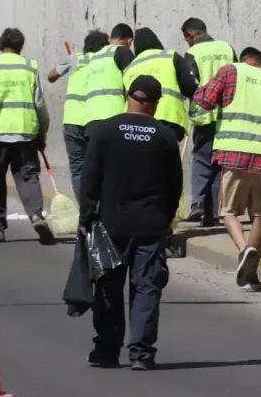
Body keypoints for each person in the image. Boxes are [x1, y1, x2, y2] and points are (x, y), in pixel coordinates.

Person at [79, 75, 181, 371]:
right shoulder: (164, 136)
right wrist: (168, 218)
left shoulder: (105, 130)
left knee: (108, 289)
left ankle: (108, 351)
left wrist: (85, 217)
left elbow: (90, 179)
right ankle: (141, 353)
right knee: (147, 287)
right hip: (150, 226)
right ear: (155, 103)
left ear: (128, 95)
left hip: (109, 226)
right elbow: (174, 184)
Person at [192, 47, 261, 292]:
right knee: (259, 215)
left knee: (228, 211)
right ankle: (250, 272)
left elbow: (204, 100)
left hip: (233, 152)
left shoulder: (230, 71)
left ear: (242, 60)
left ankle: (245, 249)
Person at [0, 27, 54, 245]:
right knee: (29, 176)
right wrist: (42, 132)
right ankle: (36, 214)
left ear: (1, 45)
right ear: (21, 47)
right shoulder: (30, 67)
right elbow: (40, 104)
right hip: (26, 131)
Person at [181, 18, 235, 227]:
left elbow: (189, 84)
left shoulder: (193, 54)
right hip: (227, 115)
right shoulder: (227, 48)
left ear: (190, 36)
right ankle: (214, 212)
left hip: (204, 114)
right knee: (219, 163)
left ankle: (199, 204)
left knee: (202, 160)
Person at [47, 29, 110, 199]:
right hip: (95, 119)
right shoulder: (107, 60)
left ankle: (86, 213)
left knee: (77, 168)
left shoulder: (76, 58)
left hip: (72, 120)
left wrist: (69, 65)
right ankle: (100, 213)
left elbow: (51, 76)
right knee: (99, 168)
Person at [121, 27, 198, 143]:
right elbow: (189, 86)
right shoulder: (170, 56)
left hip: (135, 123)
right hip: (169, 118)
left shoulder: (129, 67)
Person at [81, 24, 135, 135]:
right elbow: (134, 85)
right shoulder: (122, 52)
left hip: (90, 121)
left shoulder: (94, 58)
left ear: (110, 39)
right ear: (129, 42)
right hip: (114, 119)